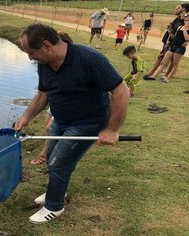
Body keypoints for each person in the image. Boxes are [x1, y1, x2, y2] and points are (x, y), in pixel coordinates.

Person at [16, 23, 130, 224]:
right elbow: (43, 94)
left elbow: (121, 91)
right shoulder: (44, 64)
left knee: (59, 162)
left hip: (88, 122)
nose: (30, 58)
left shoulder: (89, 59)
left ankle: (54, 206)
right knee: (52, 156)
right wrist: (26, 117)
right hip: (61, 119)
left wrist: (112, 130)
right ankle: (57, 190)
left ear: (47, 45)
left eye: (31, 52)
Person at [30, 31, 72, 166]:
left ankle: (45, 156)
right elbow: (43, 92)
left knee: (50, 128)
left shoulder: (71, 65)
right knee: (47, 124)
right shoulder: (46, 65)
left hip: (65, 105)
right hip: (54, 103)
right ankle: (50, 152)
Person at [144, 4, 186, 79]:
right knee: (161, 57)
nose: (176, 10)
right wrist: (169, 27)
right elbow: (171, 26)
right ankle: (153, 73)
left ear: (183, 9)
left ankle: (165, 75)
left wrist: (187, 41)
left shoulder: (185, 20)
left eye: (179, 8)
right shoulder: (178, 18)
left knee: (172, 61)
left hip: (174, 42)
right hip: (168, 40)